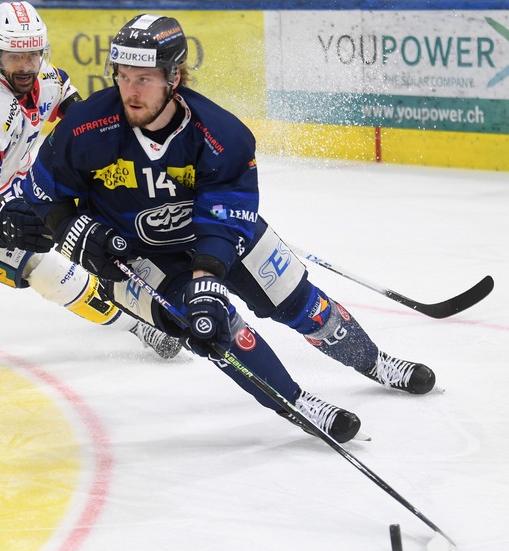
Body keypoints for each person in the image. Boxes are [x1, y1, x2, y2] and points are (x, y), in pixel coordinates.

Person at [26, 14, 435, 442]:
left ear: (174, 77)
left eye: (144, 78)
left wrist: (207, 277)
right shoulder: (86, 126)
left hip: (213, 236)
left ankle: (373, 361)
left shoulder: (221, 134)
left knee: (297, 300)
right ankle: (294, 401)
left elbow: (225, 213)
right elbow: (39, 192)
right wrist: (75, 233)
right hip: (135, 254)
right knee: (210, 326)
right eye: (123, 76)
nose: (130, 90)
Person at [0, 2, 181, 358]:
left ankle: (143, 286)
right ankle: (138, 326)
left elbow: (66, 98)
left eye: (33, 55)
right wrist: (2, 216)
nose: (25, 67)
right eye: (14, 57)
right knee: (44, 266)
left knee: (90, 216)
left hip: (10, 178)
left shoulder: (43, 75)